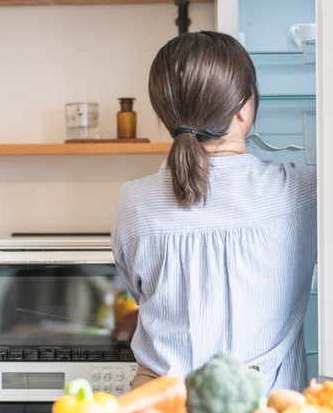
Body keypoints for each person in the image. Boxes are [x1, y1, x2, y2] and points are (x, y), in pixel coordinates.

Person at [111, 30, 317, 394]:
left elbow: (140, 292)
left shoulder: (134, 202)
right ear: (243, 108)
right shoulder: (300, 192)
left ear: (165, 114)